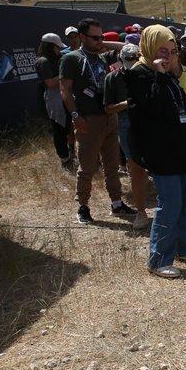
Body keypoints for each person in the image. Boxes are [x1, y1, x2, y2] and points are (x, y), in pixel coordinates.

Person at [125, 25, 186, 278]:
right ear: (149, 48)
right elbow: (151, 108)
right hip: (162, 151)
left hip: (181, 149)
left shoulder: (169, 74)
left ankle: (182, 247)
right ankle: (158, 259)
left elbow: (181, 108)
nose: (168, 57)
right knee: (169, 203)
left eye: (172, 51)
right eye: (162, 51)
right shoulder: (140, 73)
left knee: (185, 200)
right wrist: (160, 74)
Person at [59, 18, 135, 225]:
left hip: (110, 116)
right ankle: (83, 206)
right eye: (94, 37)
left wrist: (103, 42)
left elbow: (130, 48)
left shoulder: (104, 56)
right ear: (82, 37)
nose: (99, 40)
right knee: (87, 167)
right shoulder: (72, 59)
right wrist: (75, 116)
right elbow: (65, 90)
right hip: (88, 119)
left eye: (101, 36)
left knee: (112, 166)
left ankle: (117, 203)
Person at [102, 44, 151, 230]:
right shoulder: (112, 78)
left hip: (148, 122)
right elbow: (108, 108)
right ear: (121, 60)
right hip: (126, 124)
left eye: (134, 59)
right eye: (128, 59)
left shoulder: (146, 73)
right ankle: (141, 212)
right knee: (136, 168)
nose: (131, 63)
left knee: (158, 167)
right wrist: (125, 104)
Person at [35, 32, 74, 169]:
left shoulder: (59, 57)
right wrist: (64, 74)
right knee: (59, 129)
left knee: (69, 126)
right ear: (50, 47)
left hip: (65, 94)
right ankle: (64, 158)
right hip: (54, 99)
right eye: (57, 48)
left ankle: (71, 152)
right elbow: (50, 83)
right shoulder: (43, 61)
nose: (59, 50)